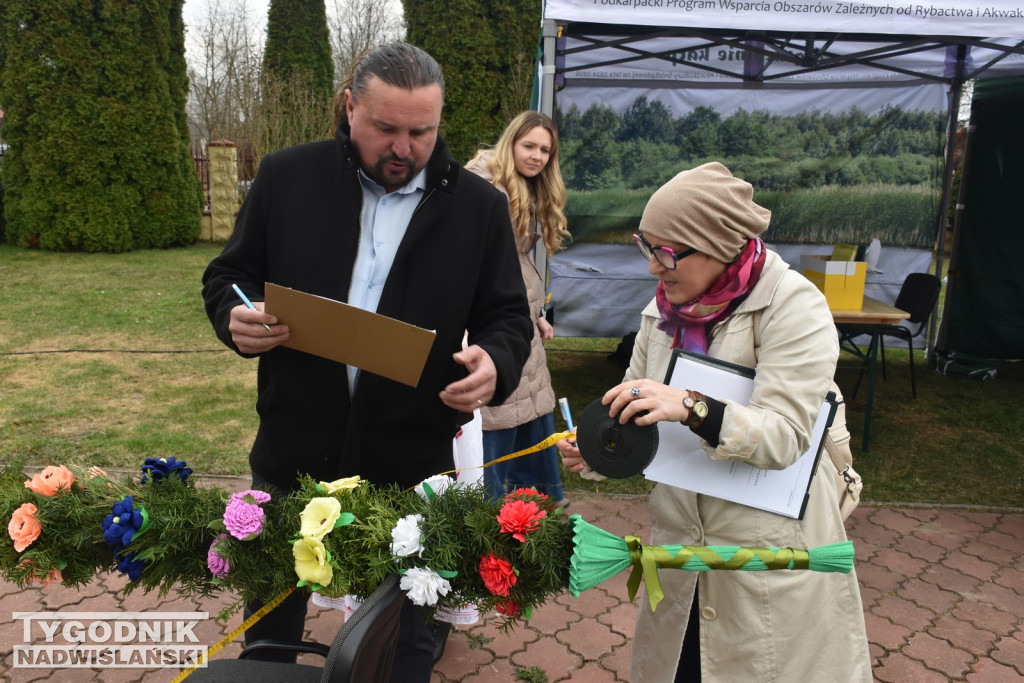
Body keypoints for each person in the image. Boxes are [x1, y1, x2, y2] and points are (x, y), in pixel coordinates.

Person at [201, 42, 533, 682]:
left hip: (410, 455)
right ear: (349, 108)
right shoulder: (285, 177)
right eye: (385, 128)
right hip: (294, 445)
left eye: (422, 131)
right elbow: (230, 274)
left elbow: (508, 318)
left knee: (406, 633)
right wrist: (234, 314)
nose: (403, 147)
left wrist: (495, 361)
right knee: (269, 620)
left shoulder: (479, 208)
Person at [557, 162, 872, 682]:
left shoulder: (793, 306)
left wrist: (690, 405)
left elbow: (785, 437)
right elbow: (634, 413)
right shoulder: (661, 312)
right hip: (680, 552)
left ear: (718, 244)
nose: (654, 268)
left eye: (666, 252)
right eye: (647, 248)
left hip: (767, 555)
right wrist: (597, 449)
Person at [465, 111, 570, 503]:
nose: (537, 156)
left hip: (520, 312)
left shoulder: (526, 186)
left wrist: (536, 315)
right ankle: (489, 508)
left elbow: (520, 260)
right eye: (529, 146)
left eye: (545, 149)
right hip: (489, 313)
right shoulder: (481, 185)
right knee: (497, 408)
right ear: (510, 143)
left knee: (531, 402)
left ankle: (527, 510)